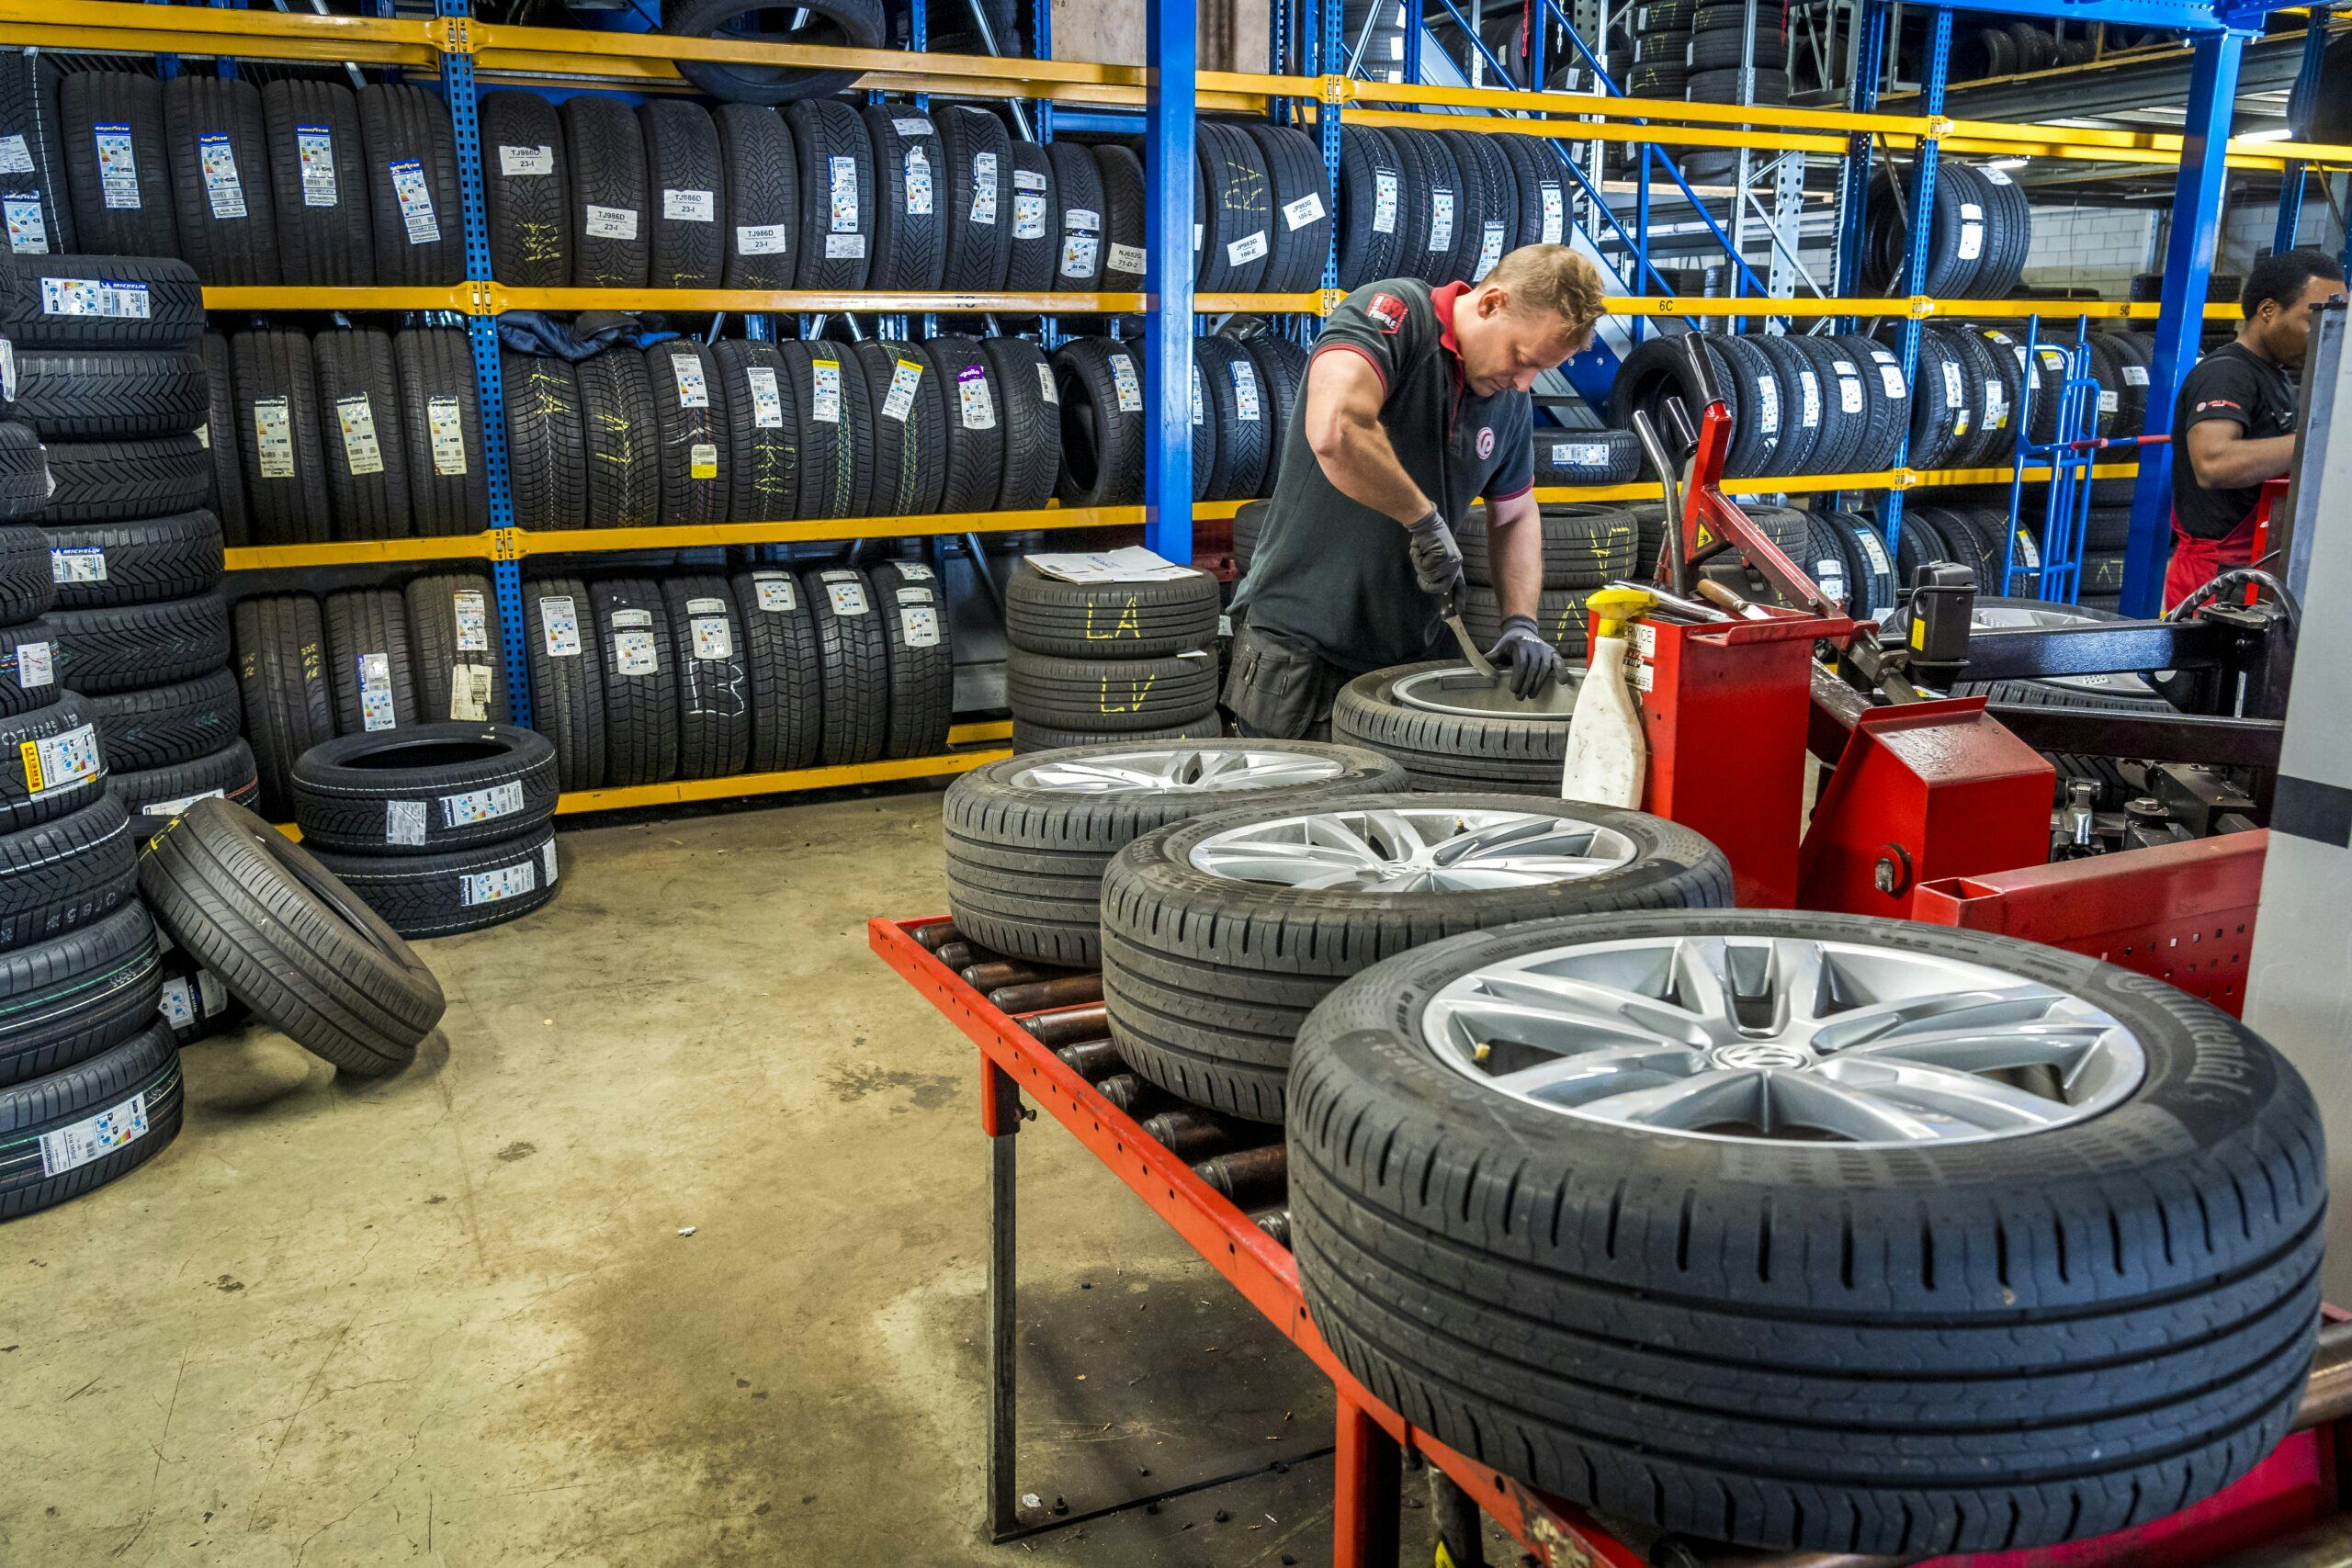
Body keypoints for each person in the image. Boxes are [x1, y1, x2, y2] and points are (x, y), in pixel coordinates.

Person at [1223, 246, 1607, 739]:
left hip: (1411, 658)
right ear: (1491, 303)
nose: (1524, 382)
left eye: (1540, 371)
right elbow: (1336, 429)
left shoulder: (1509, 400)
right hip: (1303, 653)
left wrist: (1520, 622)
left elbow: (1514, 515)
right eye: (1521, 358)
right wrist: (1423, 520)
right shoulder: (1390, 314)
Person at [2165, 248, 2346, 607]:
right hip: (2216, 575)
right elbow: (2213, 463)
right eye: (2314, 322)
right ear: (2267, 311)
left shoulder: (2276, 377)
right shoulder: (2227, 373)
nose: (2324, 337)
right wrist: (2320, 439)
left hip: (2256, 564)